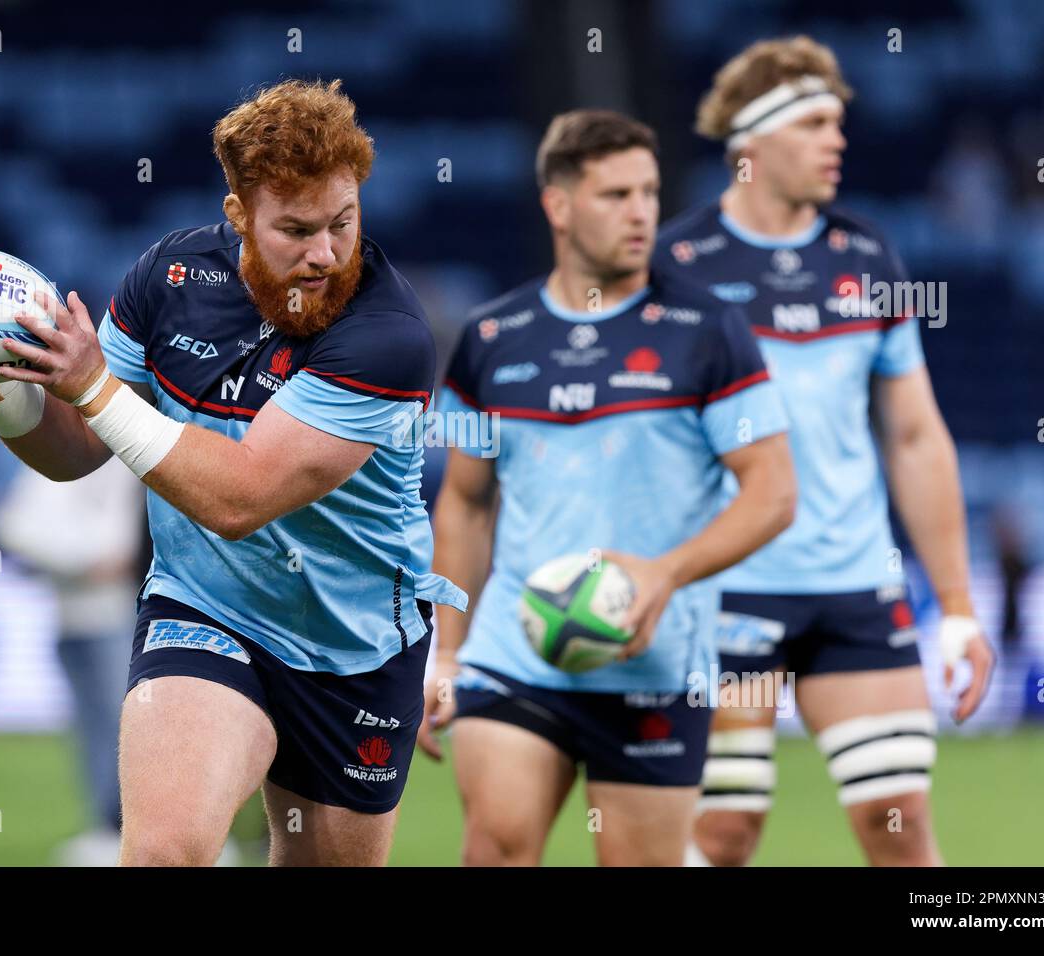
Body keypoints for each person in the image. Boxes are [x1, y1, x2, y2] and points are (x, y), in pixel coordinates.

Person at [0, 78, 466, 866]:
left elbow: (242, 497)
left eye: (343, 222)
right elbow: (73, 453)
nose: (326, 255)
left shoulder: (389, 333)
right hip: (206, 609)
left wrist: (93, 388)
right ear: (239, 217)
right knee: (163, 854)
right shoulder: (169, 279)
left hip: (356, 646)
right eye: (295, 230)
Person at [419, 110, 796, 866]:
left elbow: (773, 494)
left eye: (650, 192)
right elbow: (463, 501)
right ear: (558, 205)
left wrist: (666, 573)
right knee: (492, 847)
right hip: (517, 651)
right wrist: (447, 651)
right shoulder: (491, 339)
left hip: (652, 663)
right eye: (616, 194)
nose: (640, 213)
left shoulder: (707, 329)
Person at [654, 36, 994, 867]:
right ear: (750, 144)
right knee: (725, 833)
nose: (836, 140)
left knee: (900, 828)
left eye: (838, 123)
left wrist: (955, 608)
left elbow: (915, 436)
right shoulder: (676, 267)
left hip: (853, 589)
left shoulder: (870, 258)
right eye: (813, 123)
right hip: (726, 587)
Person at [0, 456, 143, 865]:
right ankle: (107, 826)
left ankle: (140, 827)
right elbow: (13, 526)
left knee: (126, 724)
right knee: (92, 726)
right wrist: (82, 562)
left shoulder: (125, 456)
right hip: (70, 616)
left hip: (119, 613)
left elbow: (121, 548)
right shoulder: (57, 459)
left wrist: (98, 560)